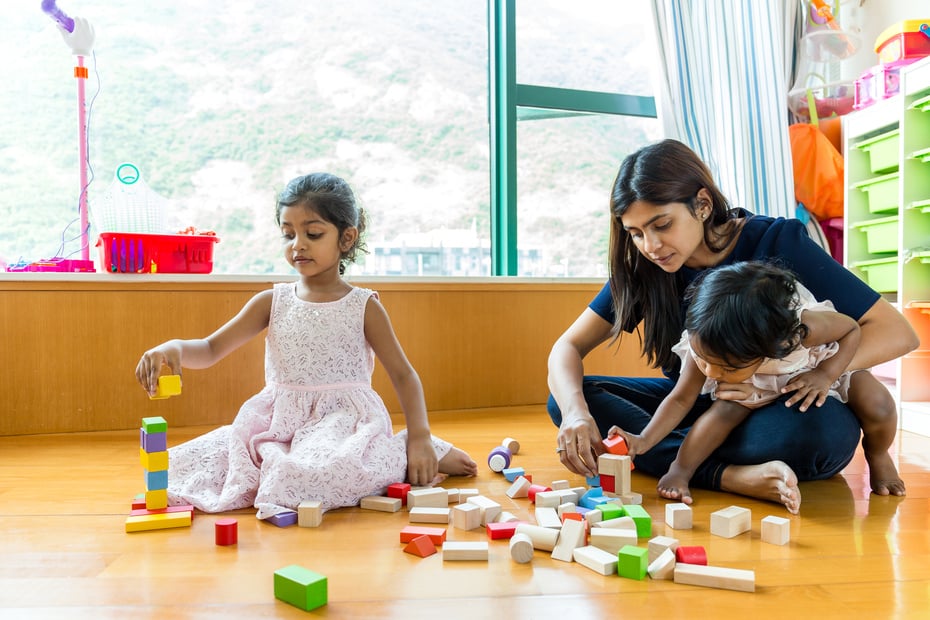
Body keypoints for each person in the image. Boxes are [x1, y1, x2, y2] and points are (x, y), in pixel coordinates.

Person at [546, 139, 918, 512]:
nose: (651, 245)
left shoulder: (776, 243)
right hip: (698, 401)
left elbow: (896, 333)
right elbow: (567, 348)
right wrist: (577, 413)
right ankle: (729, 475)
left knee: (823, 434)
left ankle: (684, 460)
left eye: (662, 225)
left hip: (775, 401)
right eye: (636, 233)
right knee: (570, 401)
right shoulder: (644, 267)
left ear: (703, 205)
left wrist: (789, 377)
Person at [135, 172, 477, 519]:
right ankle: (381, 456)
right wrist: (173, 347)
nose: (298, 244)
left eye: (312, 234)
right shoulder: (272, 301)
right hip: (276, 422)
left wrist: (419, 435)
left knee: (311, 475)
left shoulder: (364, 306)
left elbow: (403, 375)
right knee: (188, 463)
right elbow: (209, 349)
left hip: (342, 423)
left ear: (346, 238)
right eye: (288, 234)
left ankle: (405, 449)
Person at [605, 261, 905, 513]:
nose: (711, 372)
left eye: (726, 367)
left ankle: (878, 453)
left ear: (772, 347)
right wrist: (643, 440)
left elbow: (851, 329)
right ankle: (681, 468)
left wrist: (826, 374)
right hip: (751, 387)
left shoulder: (803, 330)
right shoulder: (706, 343)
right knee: (721, 414)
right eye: (705, 361)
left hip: (814, 368)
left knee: (877, 402)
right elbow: (680, 399)